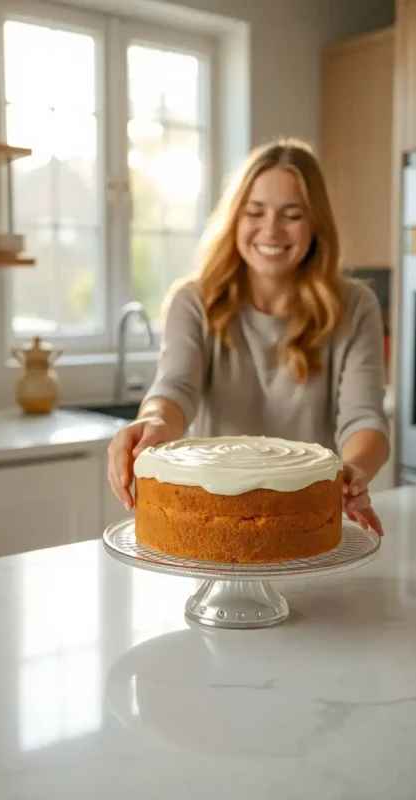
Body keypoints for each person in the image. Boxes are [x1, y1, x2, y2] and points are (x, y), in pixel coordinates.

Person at [108, 138, 389, 535]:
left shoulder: (355, 306)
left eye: (292, 214)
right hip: (215, 524)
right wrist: (151, 421)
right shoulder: (194, 301)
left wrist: (353, 471)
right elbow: (175, 388)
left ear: (316, 224)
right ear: (235, 219)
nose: (271, 230)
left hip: (305, 524)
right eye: (255, 212)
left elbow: (364, 418)